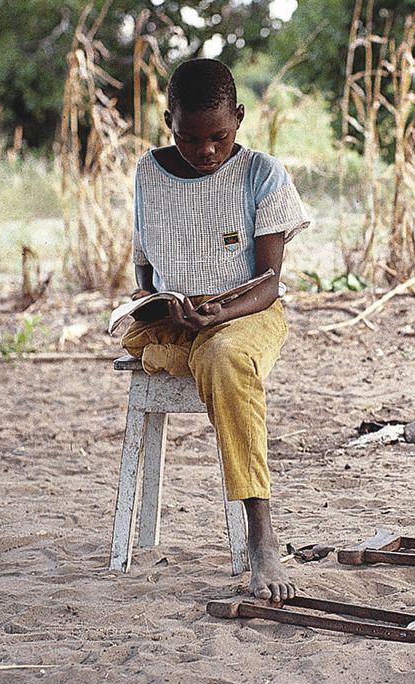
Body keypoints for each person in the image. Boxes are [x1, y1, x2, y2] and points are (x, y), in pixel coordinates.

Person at [120, 58, 308, 602]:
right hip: (177, 317)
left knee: (225, 360)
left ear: (240, 119)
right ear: (167, 121)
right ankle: (197, 354)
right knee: (160, 342)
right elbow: (143, 261)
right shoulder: (147, 173)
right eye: (188, 137)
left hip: (245, 314)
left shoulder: (262, 174)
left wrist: (218, 315)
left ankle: (262, 538)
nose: (205, 150)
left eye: (219, 136)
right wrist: (152, 300)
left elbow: (268, 283)